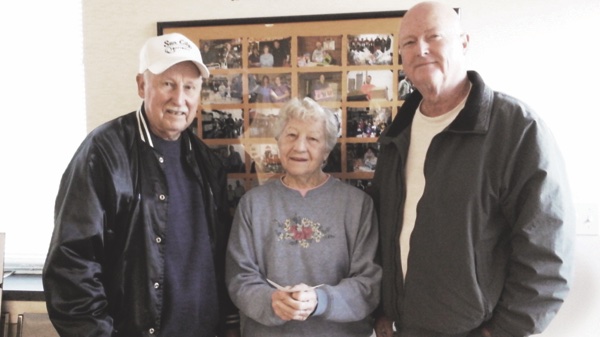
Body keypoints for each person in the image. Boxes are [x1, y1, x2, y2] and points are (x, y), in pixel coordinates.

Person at [371, 2, 575, 337]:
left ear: (463, 42)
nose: (420, 49)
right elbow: (380, 235)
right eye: (408, 43)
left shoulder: (516, 129)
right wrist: (382, 315)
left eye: (433, 37)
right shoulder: (397, 134)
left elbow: (548, 255)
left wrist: (503, 332)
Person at [42, 33, 240, 337]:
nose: (179, 98)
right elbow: (71, 265)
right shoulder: (103, 152)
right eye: (167, 84)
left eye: (189, 87)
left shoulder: (206, 162)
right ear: (141, 85)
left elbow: (216, 262)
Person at [226, 97, 381, 337]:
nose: (299, 147)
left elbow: (368, 283)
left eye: (312, 139)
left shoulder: (358, 205)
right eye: (291, 135)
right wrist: (271, 301)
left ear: (326, 150)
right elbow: (239, 278)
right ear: (278, 142)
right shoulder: (253, 204)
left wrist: (320, 301)